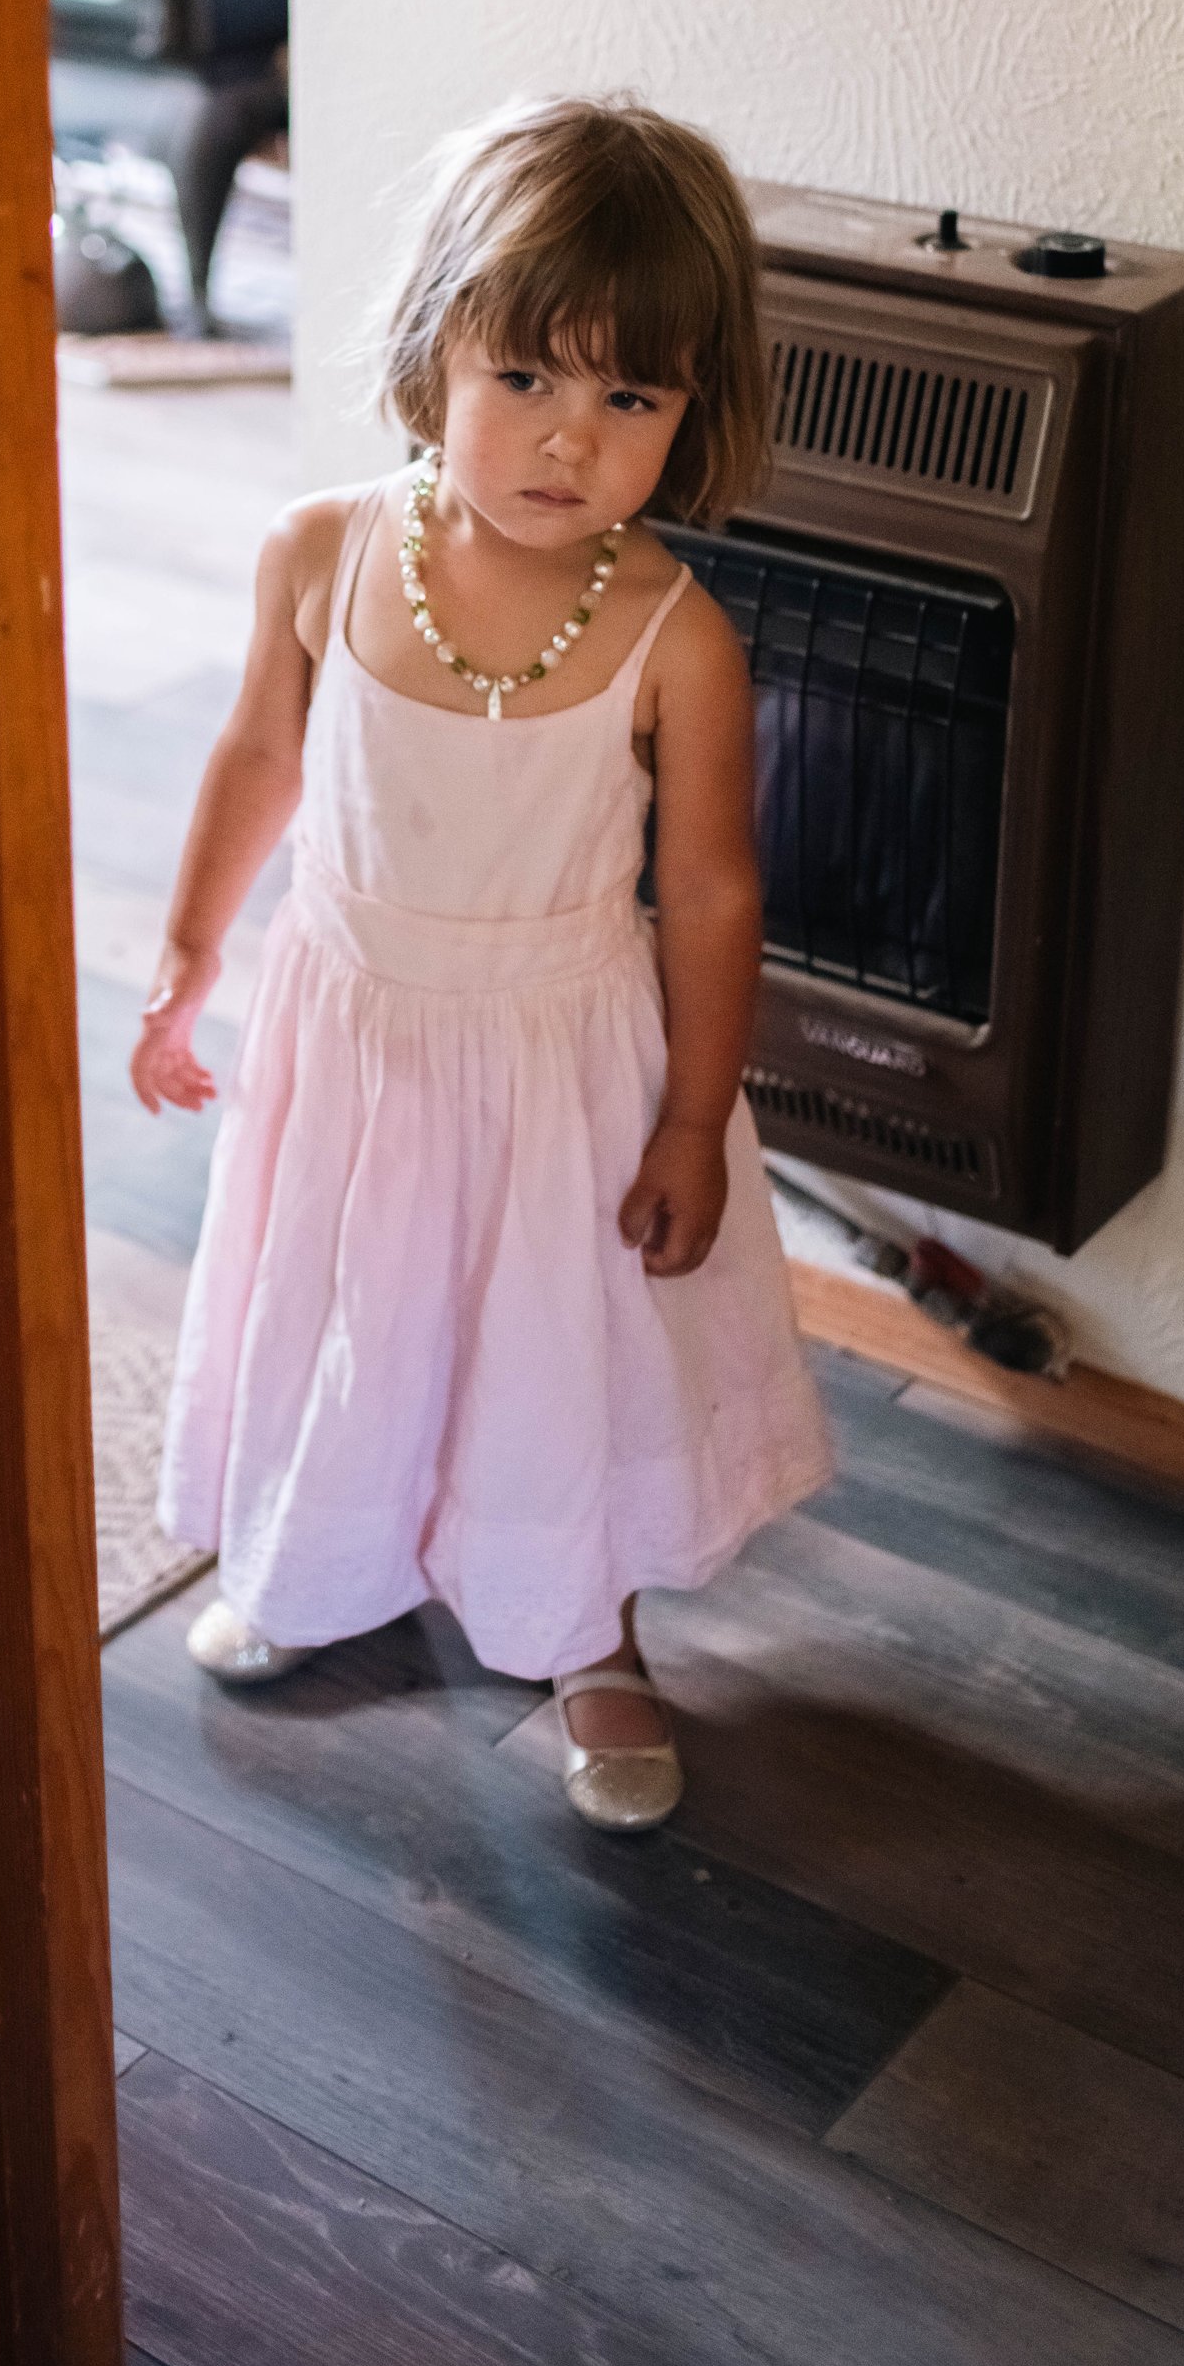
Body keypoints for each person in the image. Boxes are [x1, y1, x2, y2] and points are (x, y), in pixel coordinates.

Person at [134, 96, 830, 1832]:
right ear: (440, 336)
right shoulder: (325, 550)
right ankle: (316, 1555)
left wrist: (691, 1125)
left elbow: (717, 896)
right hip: (357, 1033)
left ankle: (587, 1632)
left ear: (692, 410)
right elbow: (258, 762)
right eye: (526, 374)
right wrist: (187, 954)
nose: (566, 438)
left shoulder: (680, 636)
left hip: (559, 1064)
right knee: (354, 1310)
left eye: (630, 396)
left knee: (551, 1353)